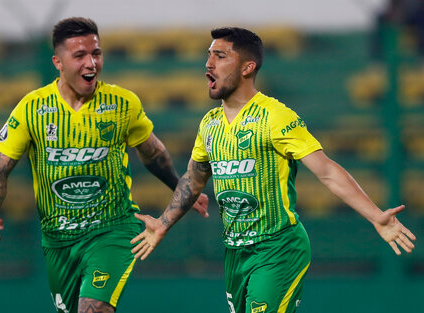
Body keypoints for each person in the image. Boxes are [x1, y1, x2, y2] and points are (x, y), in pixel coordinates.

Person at [131, 27, 417, 313]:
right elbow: (194, 178)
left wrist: (376, 216)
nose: (208, 64)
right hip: (235, 253)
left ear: (247, 67)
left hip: (278, 249)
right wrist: (163, 224)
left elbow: (327, 171)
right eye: (209, 56)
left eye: (219, 56)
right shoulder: (210, 123)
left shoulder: (275, 116)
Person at [0, 17, 208, 313]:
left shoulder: (122, 104)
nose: (91, 63)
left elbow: (153, 151)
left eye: (96, 54)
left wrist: (181, 189)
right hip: (58, 240)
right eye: (80, 56)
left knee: (94, 308)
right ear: (58, 62)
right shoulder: (32, 108)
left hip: (112, 230)